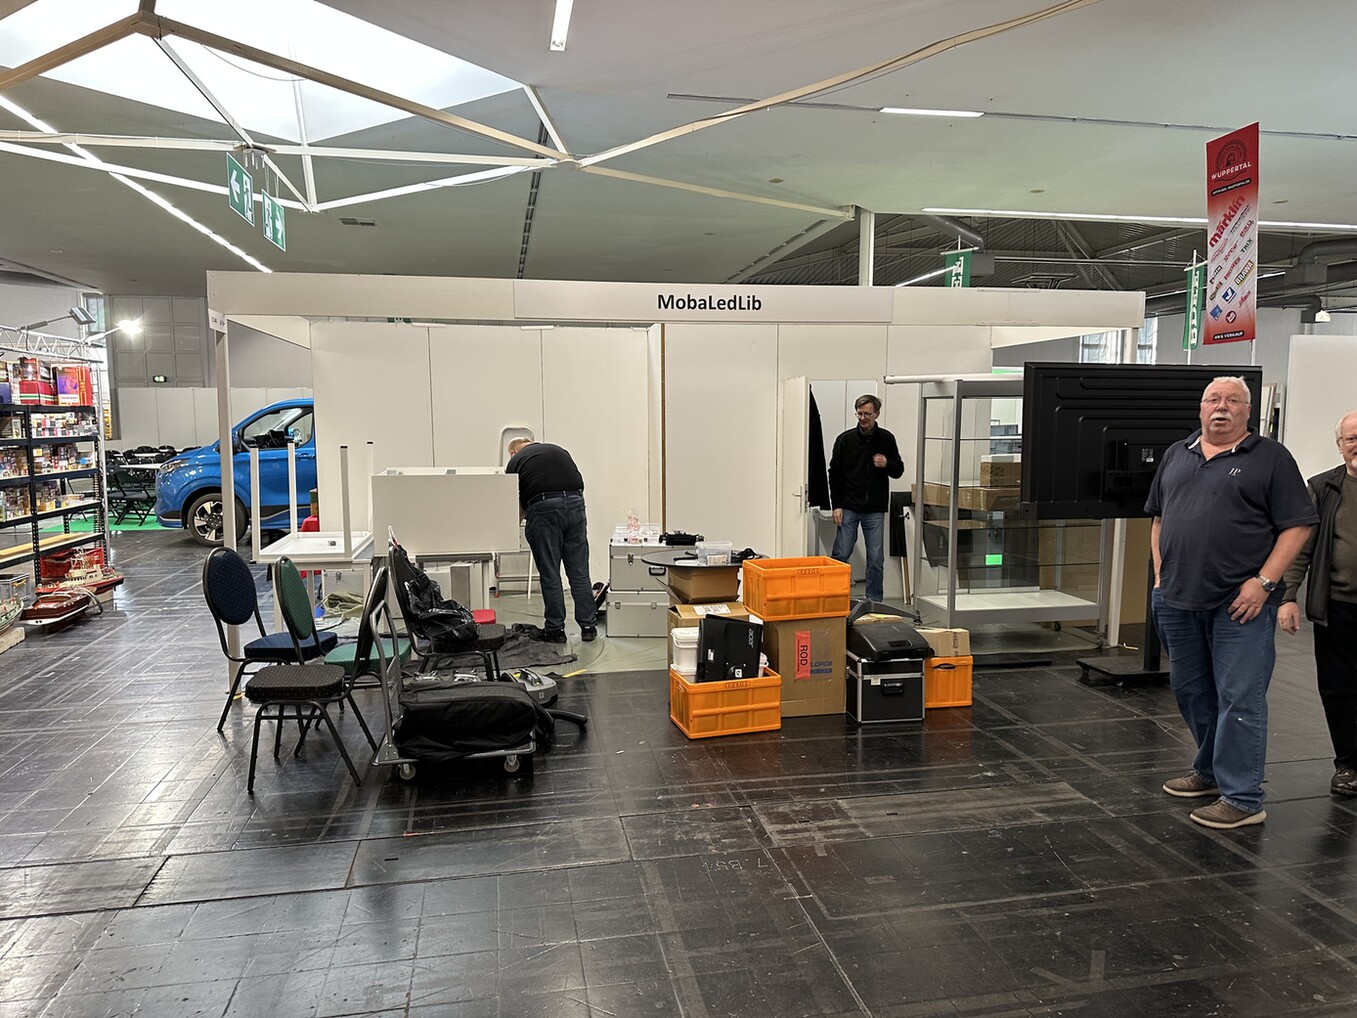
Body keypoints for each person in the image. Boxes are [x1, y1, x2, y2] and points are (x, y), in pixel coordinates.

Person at [1146, 375, 1316, 829]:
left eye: (1233, 400)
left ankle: (1243, 798)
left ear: (1248, 410)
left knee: (1240, 698)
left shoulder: (1271, 458)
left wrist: (1264, 582)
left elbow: (1298, 525)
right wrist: (1161, 576)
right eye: (1213, 399)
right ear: (1201, 408)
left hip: (1241, 604)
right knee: (1192, 692)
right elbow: (1160, 518)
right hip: (1177, 598)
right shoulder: (1177, 453)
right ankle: (1209, 770)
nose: (1221, 407)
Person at [1279, 409, 1357, 798]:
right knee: (1338, 689)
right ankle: (1348, 765)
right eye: (1352, 438)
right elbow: (1301, 548)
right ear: (1340, 445)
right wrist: (1288, 596)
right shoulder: (1323, 487)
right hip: (1338, 608)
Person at [505, 438, 599, 644]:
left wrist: (508, 533)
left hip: (543, 508)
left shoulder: (515, 461)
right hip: (576, 503)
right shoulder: (558, 450)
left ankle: (555, 629)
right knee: (579, 571)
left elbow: (515, 503)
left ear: (513, 453)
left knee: (550, 572)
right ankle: (588, 626)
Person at [828, 394, 904, 603]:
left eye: (867, 414)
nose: (862, 418)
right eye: (859, 413)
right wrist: (837, 505)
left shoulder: (886, 439)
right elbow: (834, 474)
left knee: (876, 559)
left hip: (875, 509)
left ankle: (874, 602)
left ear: (876, 414)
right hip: (848, 507)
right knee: (841, 554)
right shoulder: (845, 440)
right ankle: (834, 599)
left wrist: (887, 463)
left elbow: (898, 470)